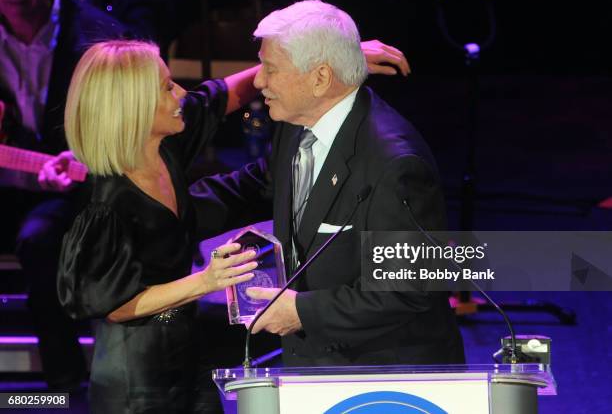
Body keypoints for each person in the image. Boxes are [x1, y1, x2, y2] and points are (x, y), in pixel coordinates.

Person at [55, 37, 410, 413]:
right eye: (166, 87)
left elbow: (227, 94)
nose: (181, 93)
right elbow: (114, 304)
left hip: (186, 346)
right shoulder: (104, 204)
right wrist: (207, 281)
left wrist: (333, 59)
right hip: (137, 374)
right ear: (134, 109)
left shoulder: (162, 139)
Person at [190, 0, 465, 367]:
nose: (258, 82)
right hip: (315, 366)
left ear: (319, 78)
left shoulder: (395, 164)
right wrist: (163, 212)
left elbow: (406, 289)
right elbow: (262, 185)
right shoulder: (294, 123)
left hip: (384, 378)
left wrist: (302, 310)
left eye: (270, 69)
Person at [0, 0, 127, 390]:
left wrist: (80, 153)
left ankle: (66, 383)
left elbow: (123, 116)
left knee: (39, 241)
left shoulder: (95, 33)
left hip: (69, 183)